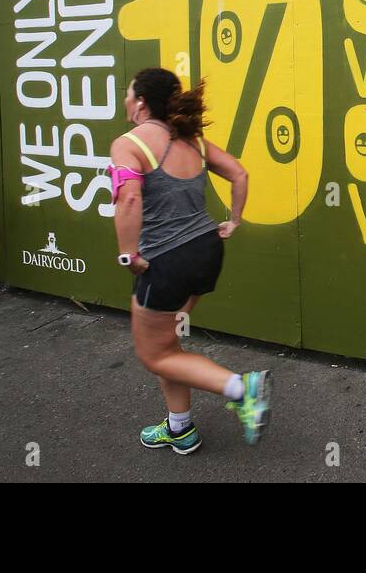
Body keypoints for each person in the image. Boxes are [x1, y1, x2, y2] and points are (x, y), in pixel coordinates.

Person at [109, 67, 270, 454]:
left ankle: (241, 388)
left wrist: (129, 255)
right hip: (206, 252)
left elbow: (129, 200)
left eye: (129, 93)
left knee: (154, 354)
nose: (126, 99)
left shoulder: (128, 144)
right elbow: (239, 173)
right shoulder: (192, 140)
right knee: (170, 346)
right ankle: (180, 428)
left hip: (167, 262)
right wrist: (234, 220)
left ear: (142, 101)